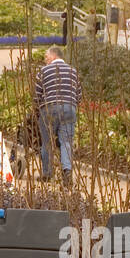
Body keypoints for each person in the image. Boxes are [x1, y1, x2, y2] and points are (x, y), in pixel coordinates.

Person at [34, 45, 81, 187]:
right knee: (66, 142)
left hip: (50, 109)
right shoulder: (73, 72)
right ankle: (67, 171)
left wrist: (36, 110)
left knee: (47, 142)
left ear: (54, 56)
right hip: (70, 108)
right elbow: (78, 95)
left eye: (46, 57)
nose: (45, 60)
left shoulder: (43, 71)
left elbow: (37, 95)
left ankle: (48, 173)